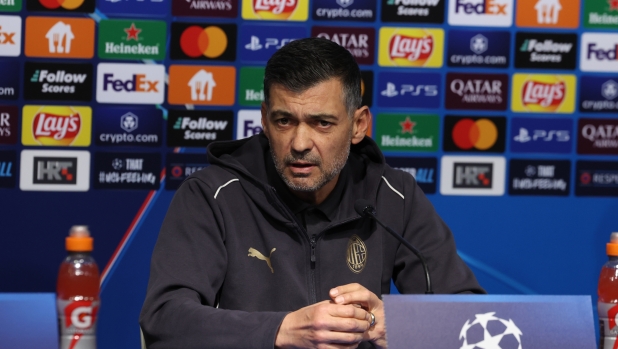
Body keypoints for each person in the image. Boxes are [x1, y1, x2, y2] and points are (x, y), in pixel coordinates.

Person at [139, 37, 485, 349]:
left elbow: (473, 321)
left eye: (322, 123)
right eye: (284, 121)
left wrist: (397, 325)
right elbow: (164, 321)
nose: (300, 144)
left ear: (358, 125)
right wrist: (281, 330)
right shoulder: (211, 195)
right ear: (264, 119)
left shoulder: (393, 196)